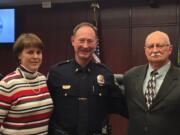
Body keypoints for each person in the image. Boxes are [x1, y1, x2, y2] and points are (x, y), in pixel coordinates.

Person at [47, 22, 128, 135]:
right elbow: (44, 109)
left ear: (96, 43)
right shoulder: (56, 73)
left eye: (90, 41)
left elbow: (122, 106)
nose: (85, 46)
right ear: (73, 41)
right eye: (81, 40)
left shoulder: (106, 74)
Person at [124, 31, 180, 135]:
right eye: (150, 46)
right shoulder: (130, 76)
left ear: (170, 49)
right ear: (145, 50)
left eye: (159, 46)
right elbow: (126, 108)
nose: (155, 50)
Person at [0, 33, 53, 135]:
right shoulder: (7, 84)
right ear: (19, 55)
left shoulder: (43, 79)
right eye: (30, 52)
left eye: (39, 52)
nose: (36, 56)